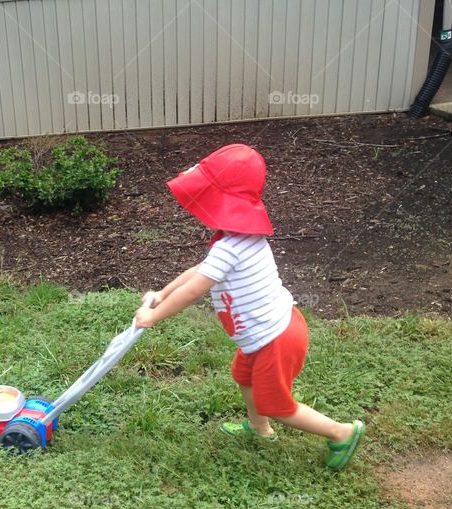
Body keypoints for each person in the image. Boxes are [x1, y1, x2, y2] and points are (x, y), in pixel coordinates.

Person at [133, 144, 364, 471]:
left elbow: (195, 291)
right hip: (271, 330)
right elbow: (194, 274)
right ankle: (259, 428)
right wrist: (160, 293)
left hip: (275, 338)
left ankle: (340, 432)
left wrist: (154, 316)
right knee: (243, 375)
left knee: (277, 404)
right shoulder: (236, 238)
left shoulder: (230, 247)